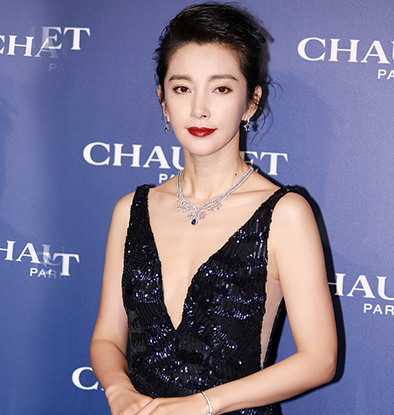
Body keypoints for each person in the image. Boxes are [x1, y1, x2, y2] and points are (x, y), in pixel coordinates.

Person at [90, 3, 337, 415]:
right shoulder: (131, 210)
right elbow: (106, 338)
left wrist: (202, 405)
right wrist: (118, 391)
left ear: (251, 102)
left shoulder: (284, 214)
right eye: (181, 88)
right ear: (163, 100)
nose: (199, 109)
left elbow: (320, 359)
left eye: (221, 89)